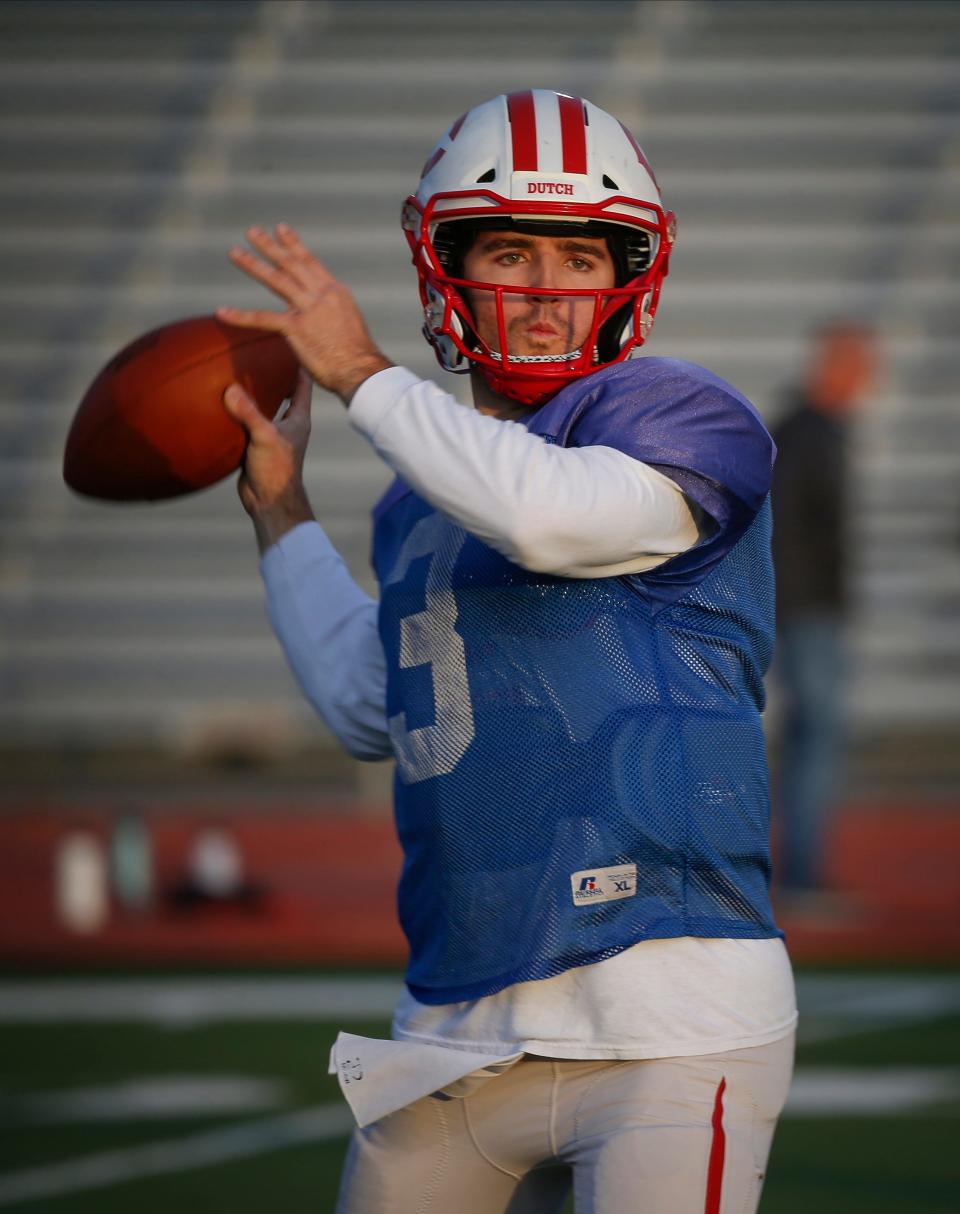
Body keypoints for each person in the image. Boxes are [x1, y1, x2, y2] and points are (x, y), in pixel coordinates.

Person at [218, 90, 796, 1214]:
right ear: (447, 266)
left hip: (671, 1018)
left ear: (627, 272)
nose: (542, 288)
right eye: (511, 250)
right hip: (454, 1020)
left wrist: (361, 375)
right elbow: (369, 706)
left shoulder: (690, 418)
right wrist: (282, 515)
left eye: (578, 257)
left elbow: (544, 513)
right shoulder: (415, 498)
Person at [771, 322, 877, 900]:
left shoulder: (811, 429)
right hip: (806, 610)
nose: (865, 379)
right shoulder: (808, 431)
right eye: (857, 365)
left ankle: (802, 870)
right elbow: (787, 533)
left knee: (813, 736)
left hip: (809, 607)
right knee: (816, 736)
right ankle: (802, 874)